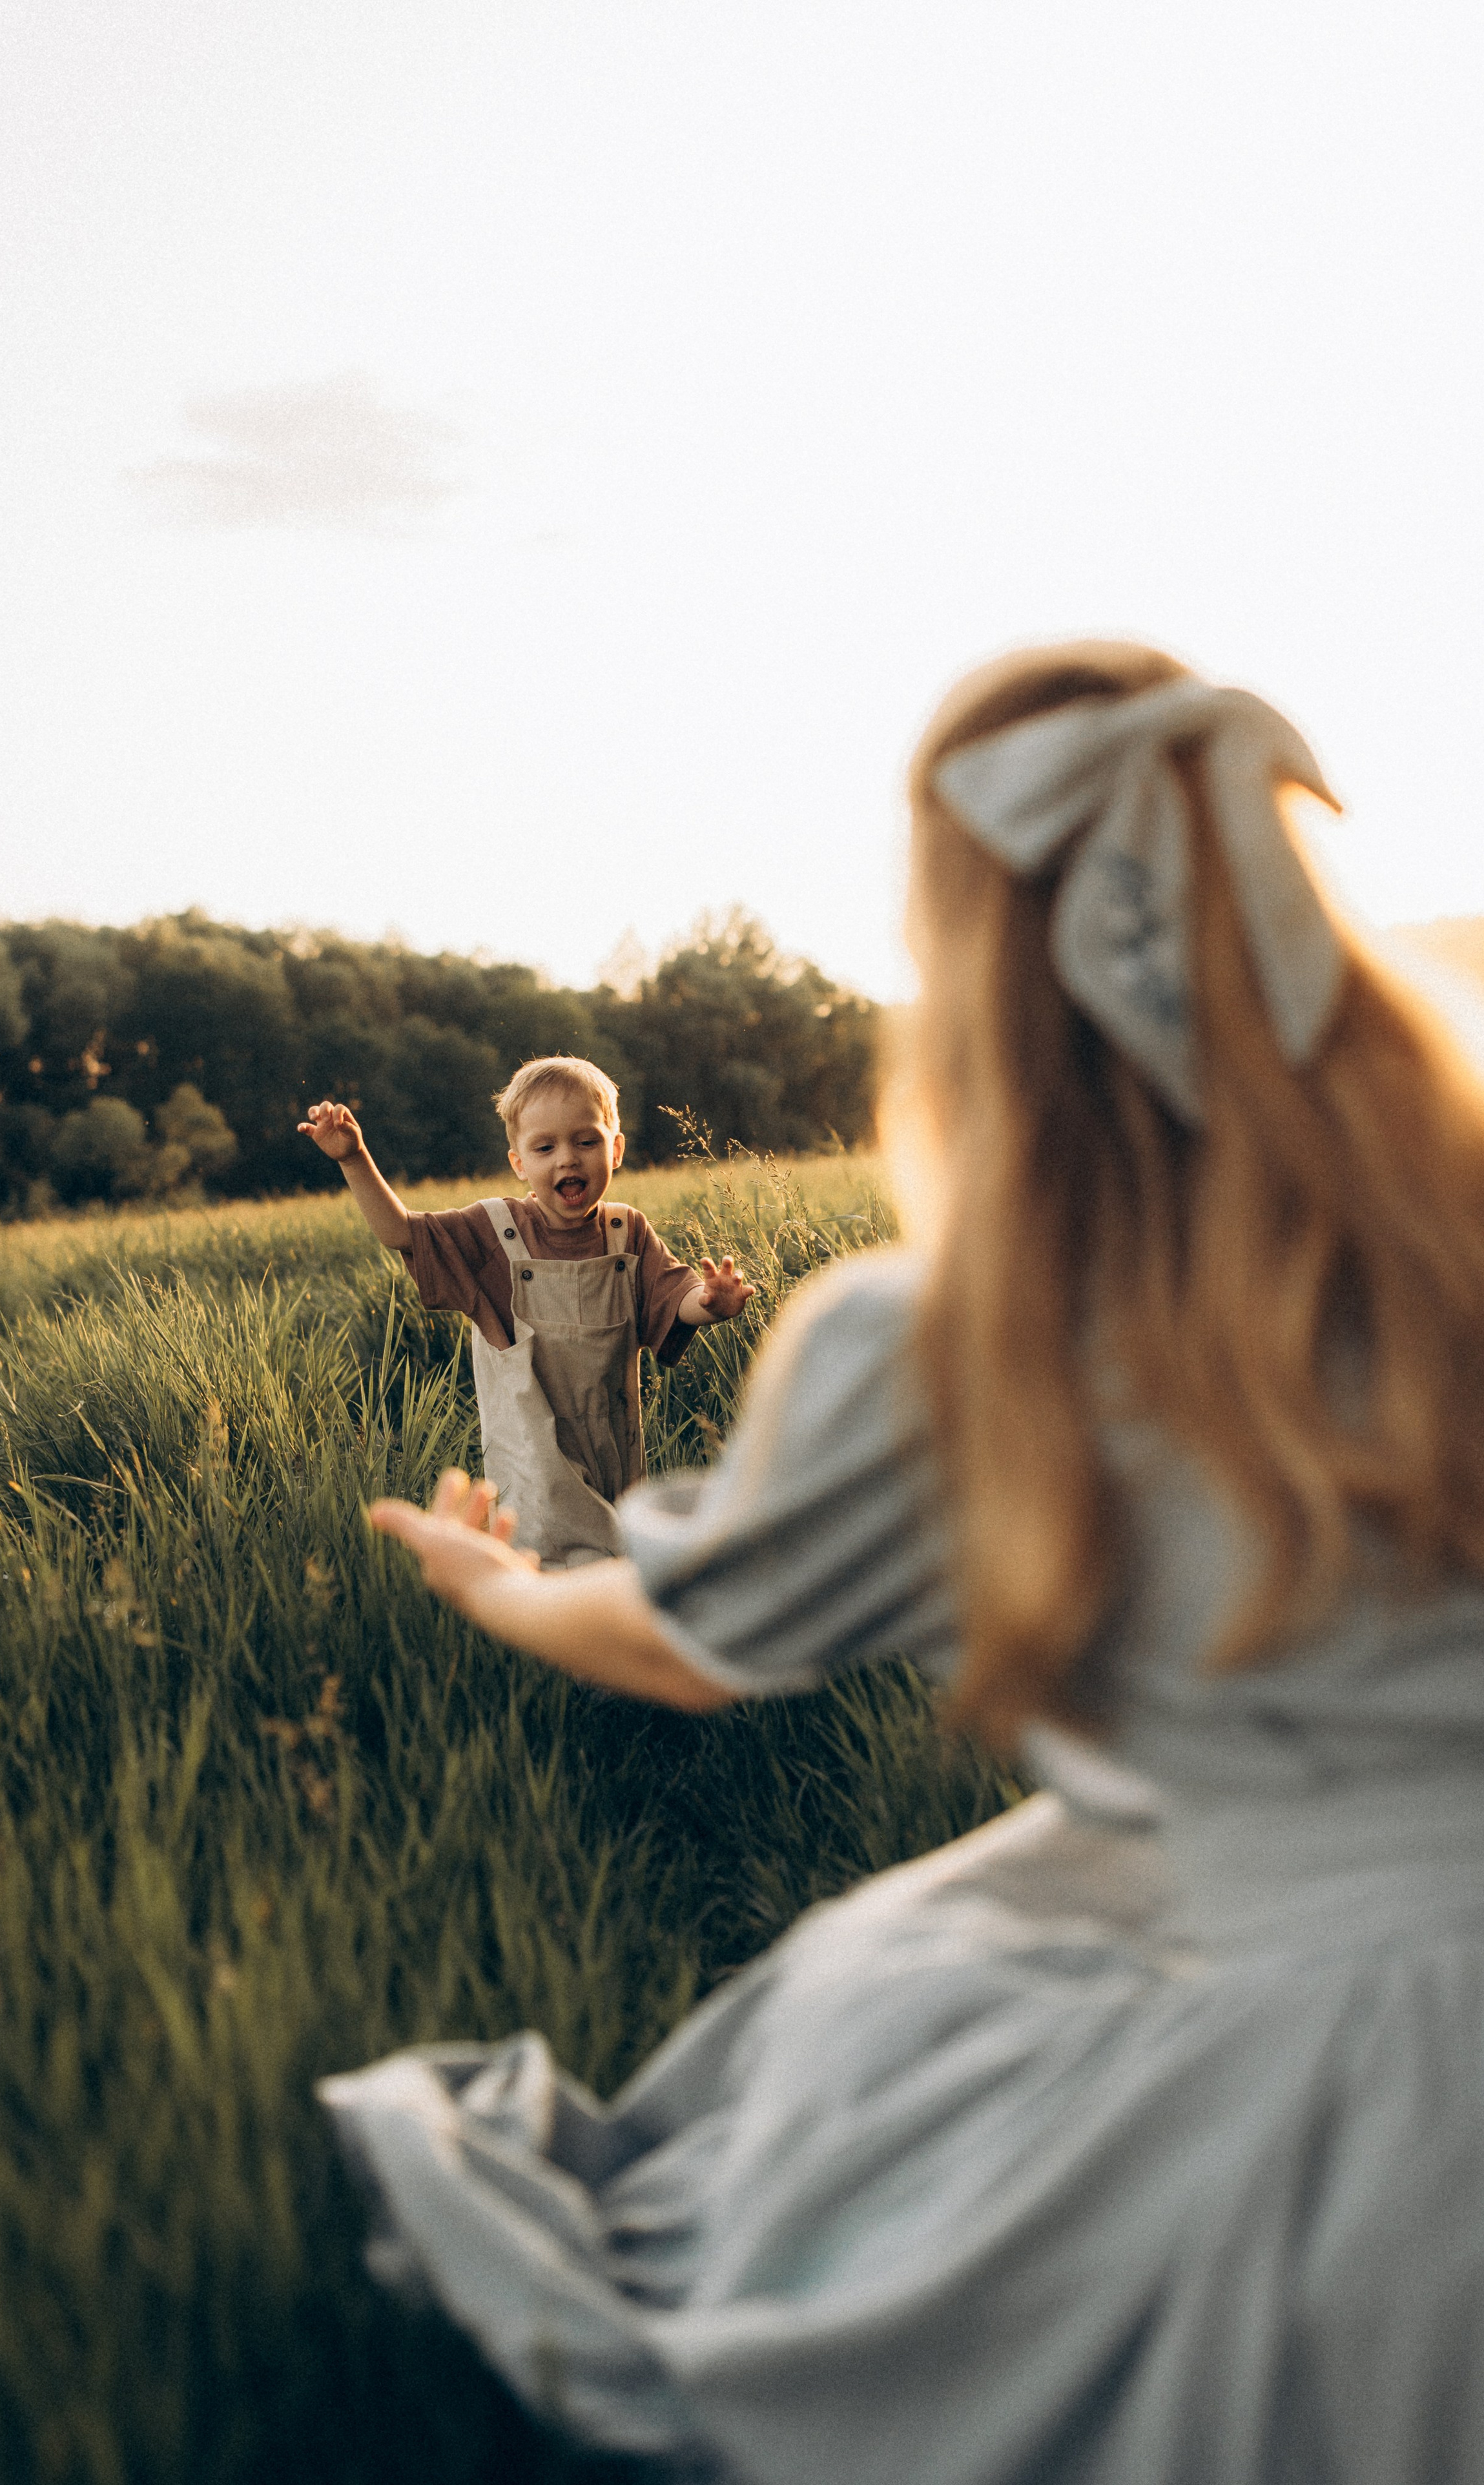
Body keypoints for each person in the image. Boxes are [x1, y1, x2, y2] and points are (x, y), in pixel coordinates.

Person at [319, 644, 1484, 2483]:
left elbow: (682, 1645)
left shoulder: (959, 1339)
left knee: (859, 2063)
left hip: (1369, 2073)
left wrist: (495, 1587)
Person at [300, 1055, 754, 1567]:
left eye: (587, 1141)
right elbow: (401, 1232)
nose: (568, 1159)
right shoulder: (493, 1230)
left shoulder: (627, 1232)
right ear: (519, 1162)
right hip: (532, 1448)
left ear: (616, 1148)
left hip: (612, 1443)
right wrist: (354, 1158)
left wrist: (712, 1302)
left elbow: (674, 1298)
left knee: (616, 1560)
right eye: (545, 1147)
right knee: (554, 1562)